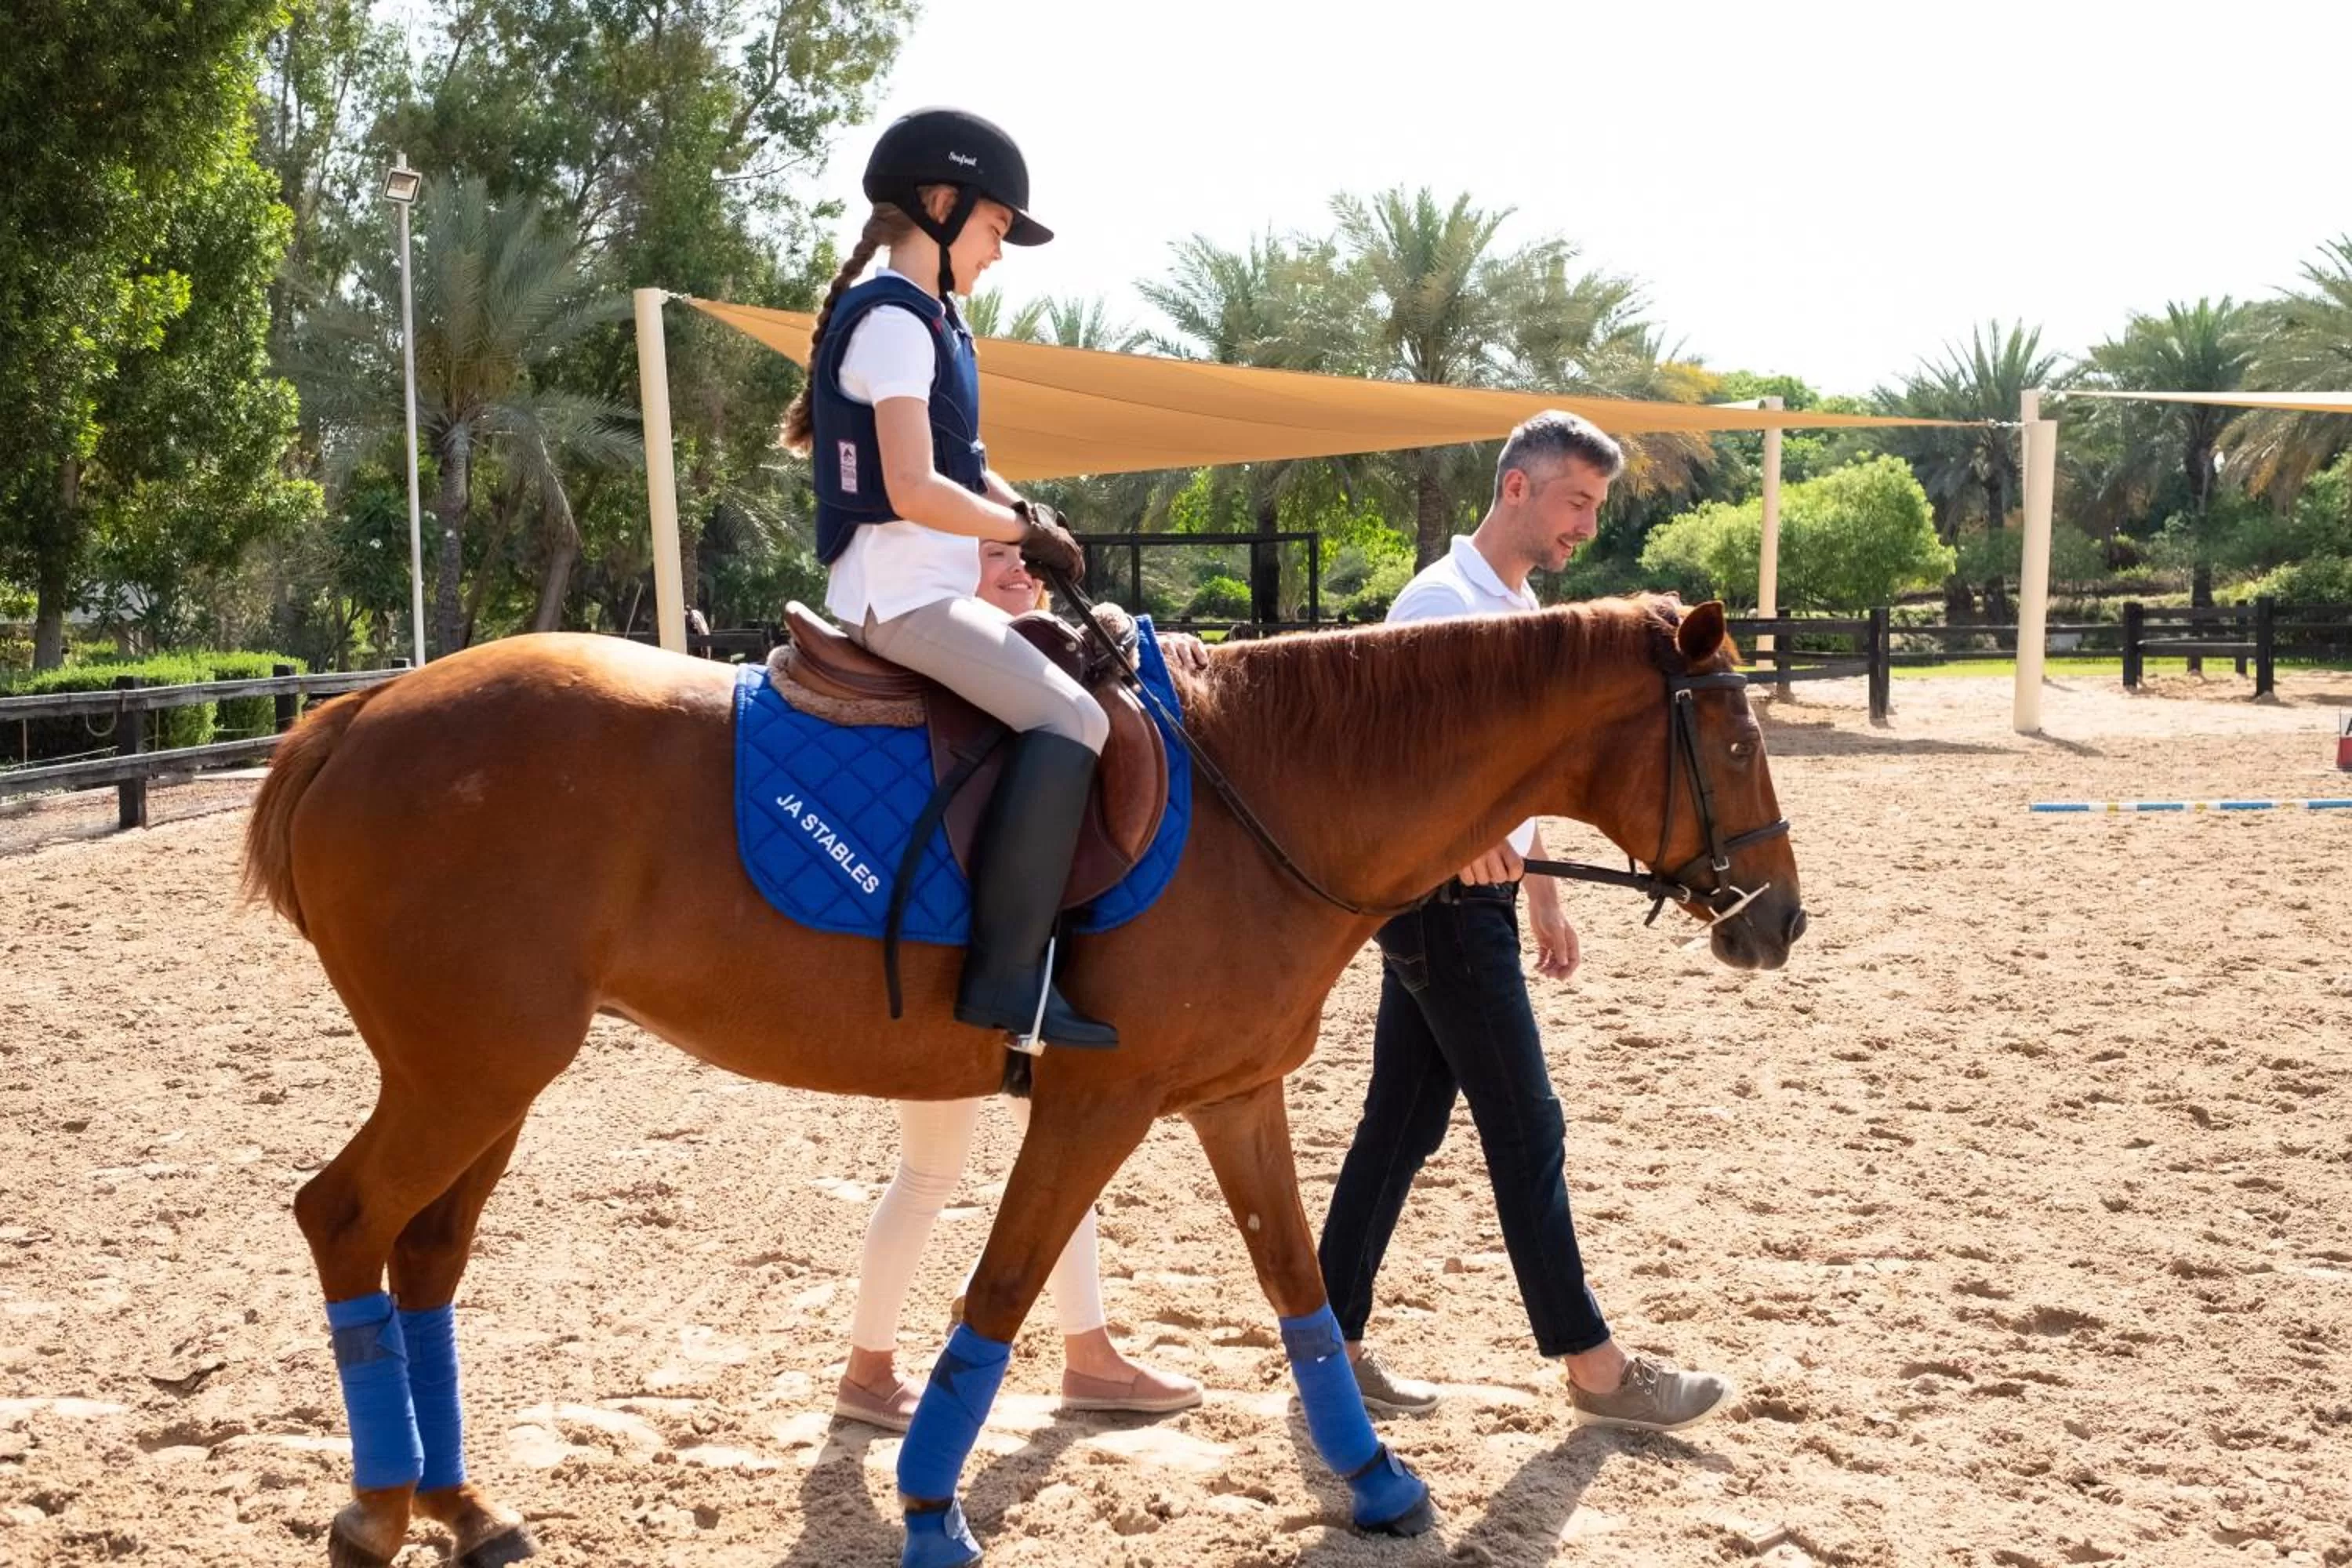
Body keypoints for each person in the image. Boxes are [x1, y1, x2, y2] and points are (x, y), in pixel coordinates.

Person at [1316, 411, 1736, 1432]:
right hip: (1437, 907)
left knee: (1405, 1124)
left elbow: (1512, 776)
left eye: (1594, 507)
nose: (1585, 526)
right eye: (1575, 502)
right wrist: (1459, 838)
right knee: (1526, 1124)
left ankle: (1326, 1344)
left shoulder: (1516, 601)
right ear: (1517, 488)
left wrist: (1538, 890)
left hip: (1481, 906)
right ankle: (1596, 1369)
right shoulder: (1438, 603)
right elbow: (1387, 765)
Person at [831, 538, 1203, 1430]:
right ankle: (868, 1365)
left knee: (1054, 1155)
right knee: (930, 1169)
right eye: (994, 557)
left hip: (1031, 971)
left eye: (1022, 559)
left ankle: (1089, 1351)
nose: (1020, 569)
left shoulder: (1031, 686)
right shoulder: (953, 697)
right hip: (948, 974)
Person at [780, 106, 1112, 1051]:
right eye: (996, 227)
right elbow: (914, 487)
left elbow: (964, 463)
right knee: (1072, 718)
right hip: (901, 601)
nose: (1000, 251)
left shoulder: (930, 319)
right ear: (938, 202)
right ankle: (1007, 981)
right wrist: (1016, 527)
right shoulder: (895, 322)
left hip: (931, 590)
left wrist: (1033, 517)